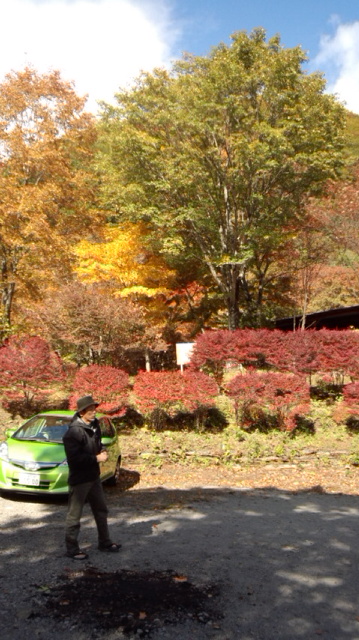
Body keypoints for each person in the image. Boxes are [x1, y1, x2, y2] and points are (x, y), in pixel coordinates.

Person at [63, 394, 120, 560]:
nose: (94, 412)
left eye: (94, 408)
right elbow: (74, 459)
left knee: (101, 510)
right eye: (90, 409)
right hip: (80, 479)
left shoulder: (95, 426)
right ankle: (72, 549)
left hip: (94, 477)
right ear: (81, 412)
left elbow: (98, 444)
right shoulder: (73, 433)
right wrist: (96, 458)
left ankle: (105, 542)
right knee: (74, 515)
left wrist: (102, 451)